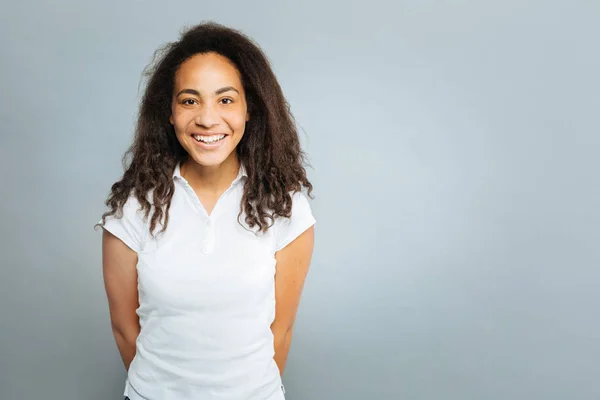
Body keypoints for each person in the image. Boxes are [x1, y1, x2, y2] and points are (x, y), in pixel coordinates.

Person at [96, 21, 316, 400]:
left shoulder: (286, 206)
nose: (208, 119)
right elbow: (123, 329)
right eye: (189, 100)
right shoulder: (134, 207)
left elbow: (280, 332)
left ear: (250, 110)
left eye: (226, 99)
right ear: (169, 112)